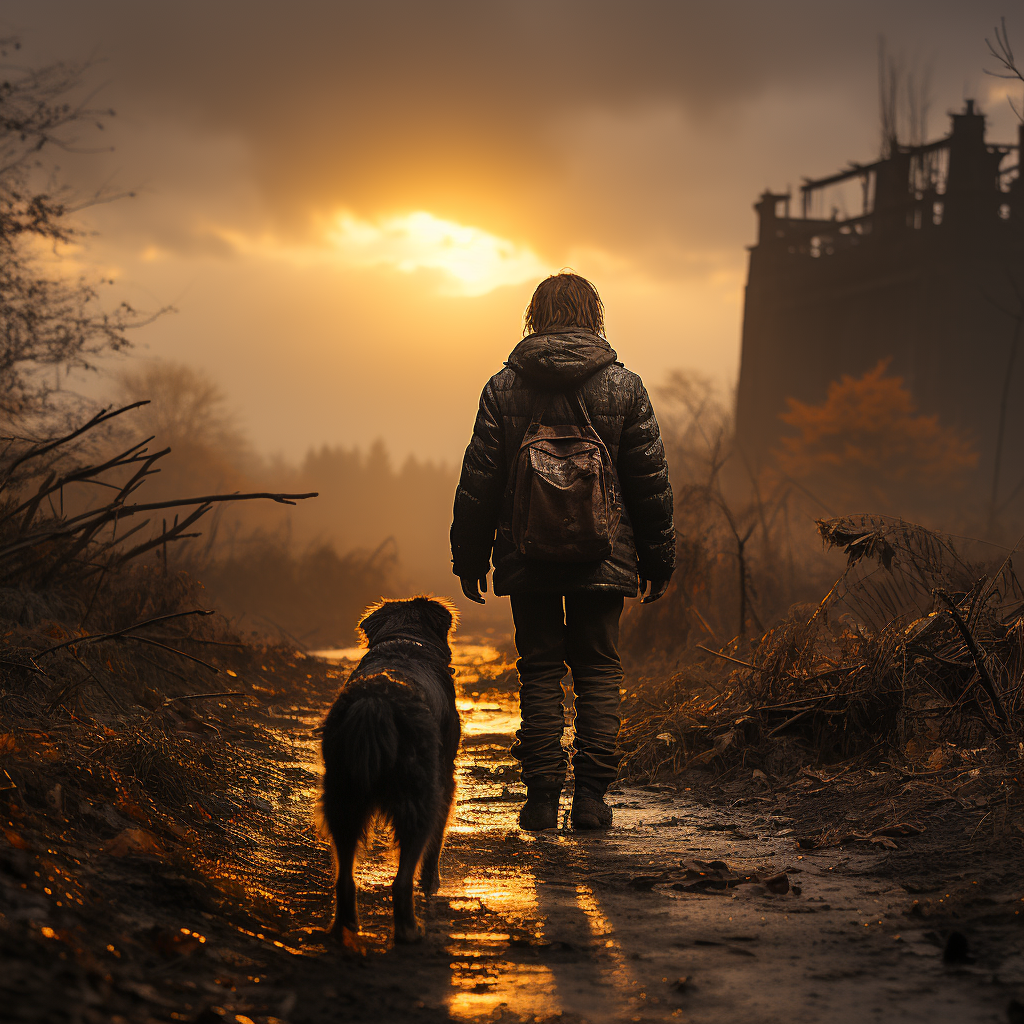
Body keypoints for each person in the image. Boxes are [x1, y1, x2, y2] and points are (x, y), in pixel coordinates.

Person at [450, 272, 675, 831]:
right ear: (593, 314)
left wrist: (470, 555)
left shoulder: (504, 387)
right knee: (599, 670)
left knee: (541, 670)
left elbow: (479, 481)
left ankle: (542, 800)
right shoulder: (625, 387)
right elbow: (648, 482)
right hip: (606, 554)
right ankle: (593, 799)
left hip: (529, 556)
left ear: (536, 315)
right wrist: (658, 556)